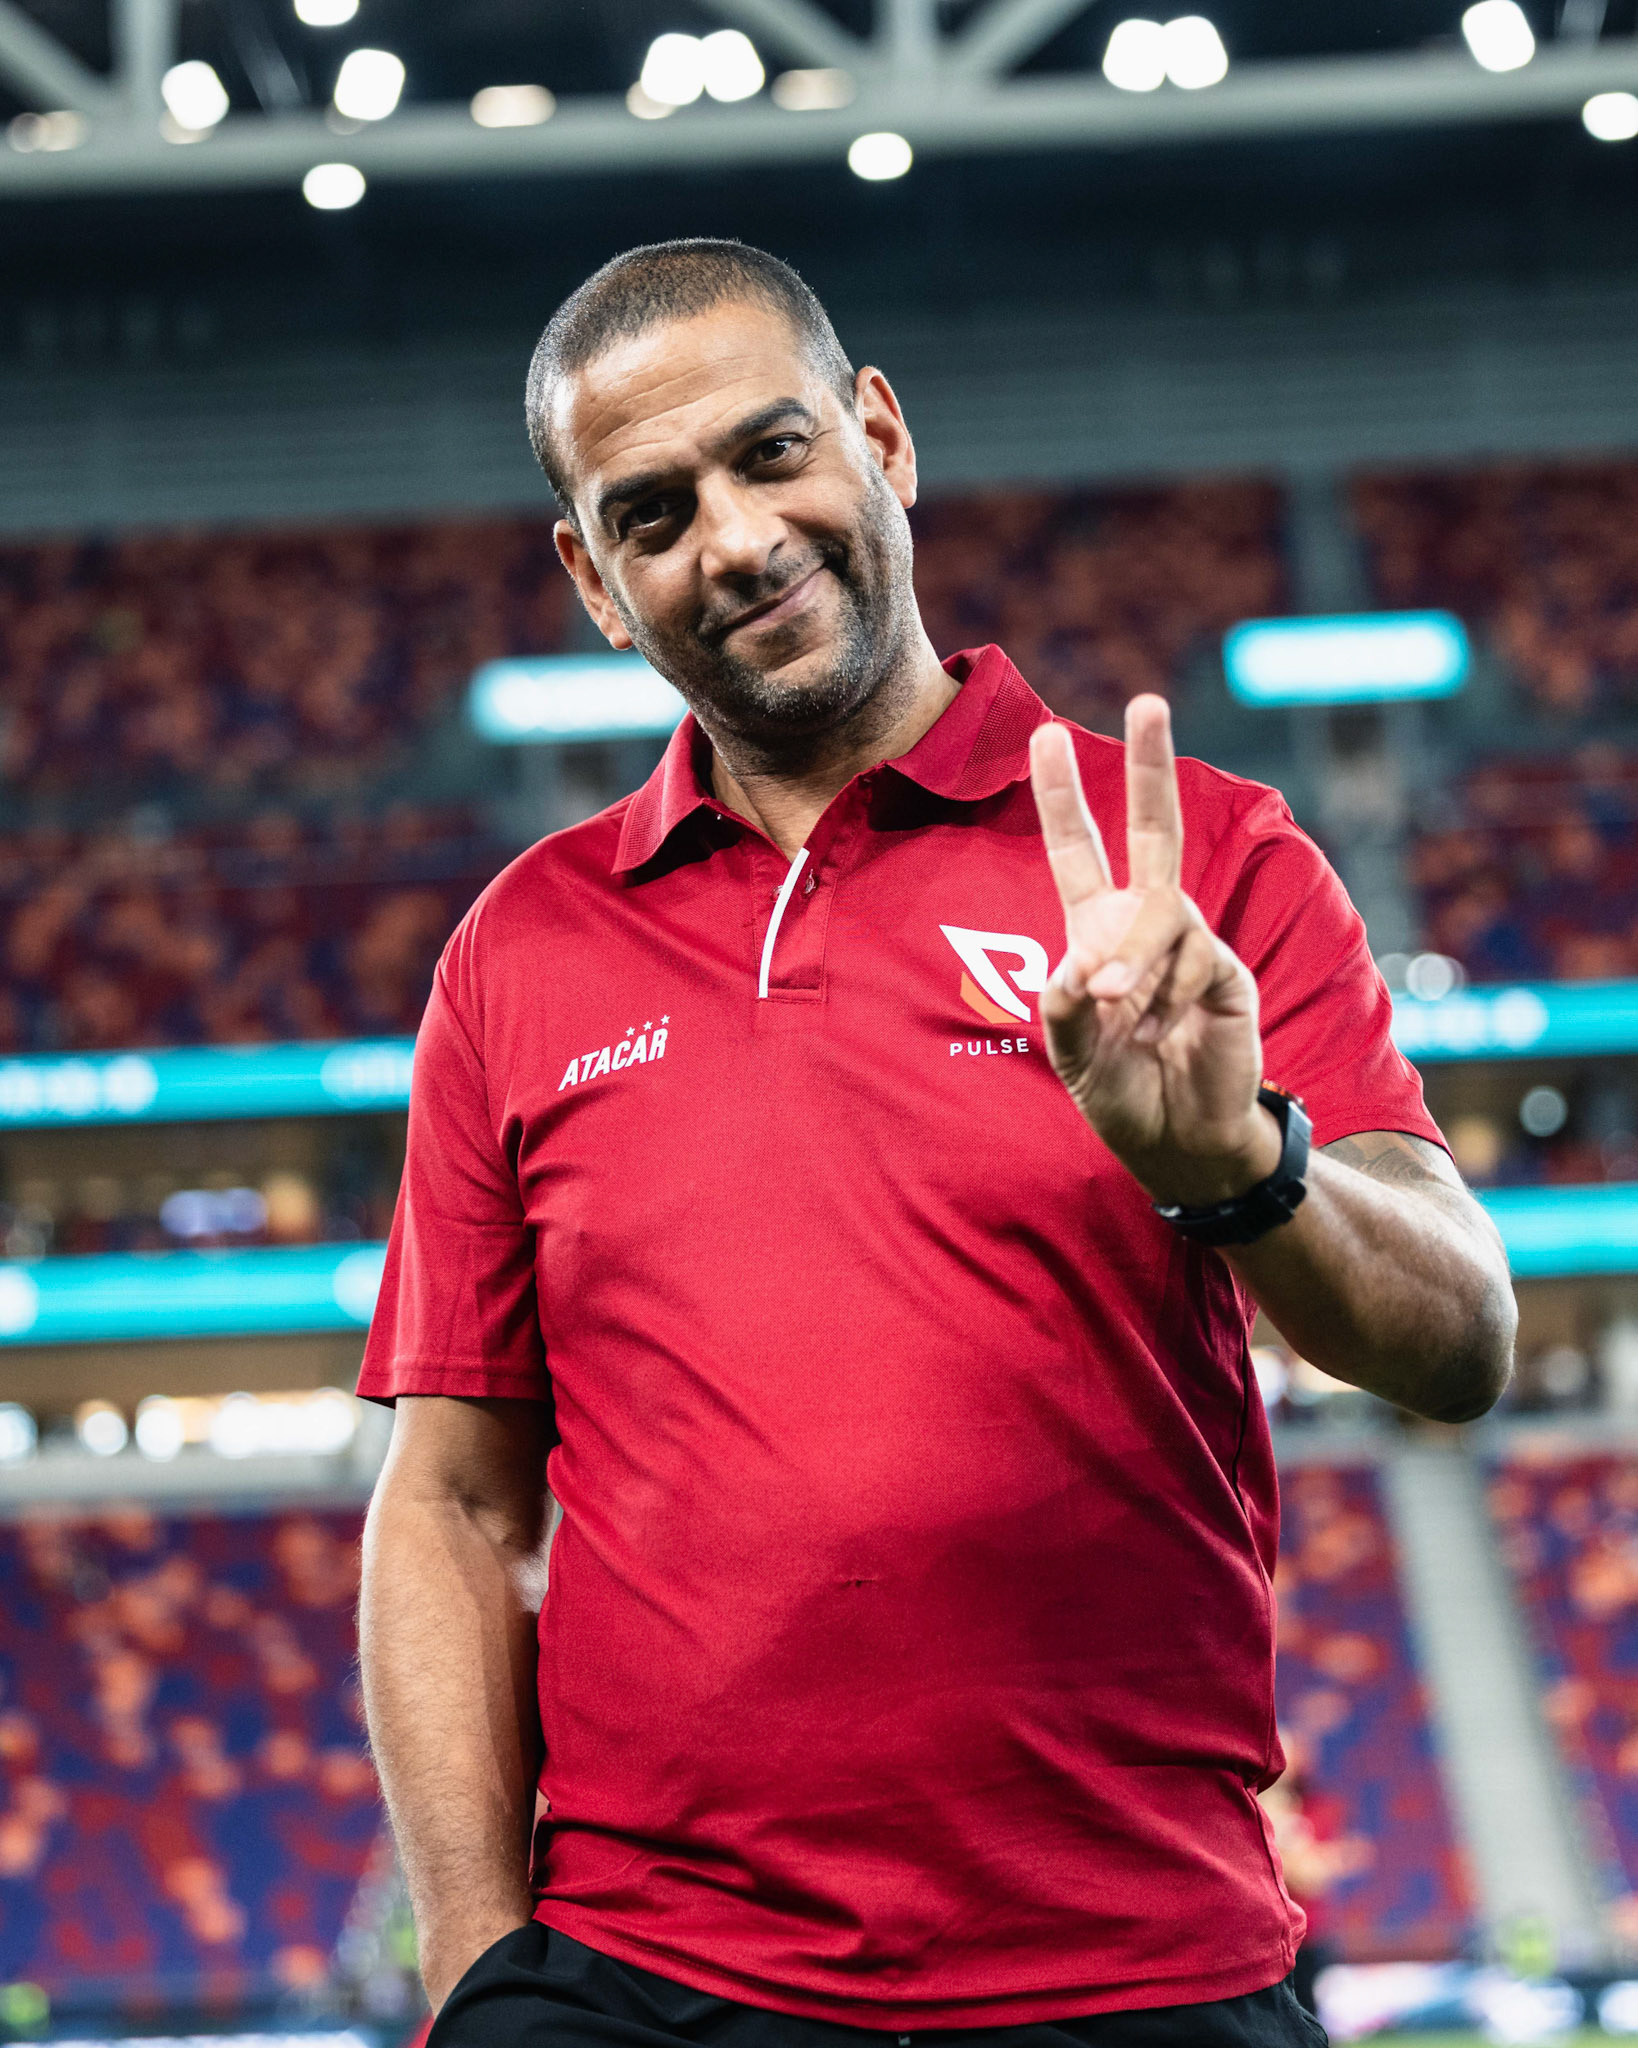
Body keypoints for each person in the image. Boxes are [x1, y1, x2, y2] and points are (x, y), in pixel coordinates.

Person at [357, 239, 1516, 2048]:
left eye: (771, 454)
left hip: (1135, 1976)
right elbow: (451, 1501)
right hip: (650, 1988)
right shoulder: (521, 947)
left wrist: (1241, 1166)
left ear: (881, 438)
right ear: (594, 580)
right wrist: (474, 1968)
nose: (736, 541)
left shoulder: (1199, 861)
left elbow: (1460, 1343)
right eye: (651, 513)